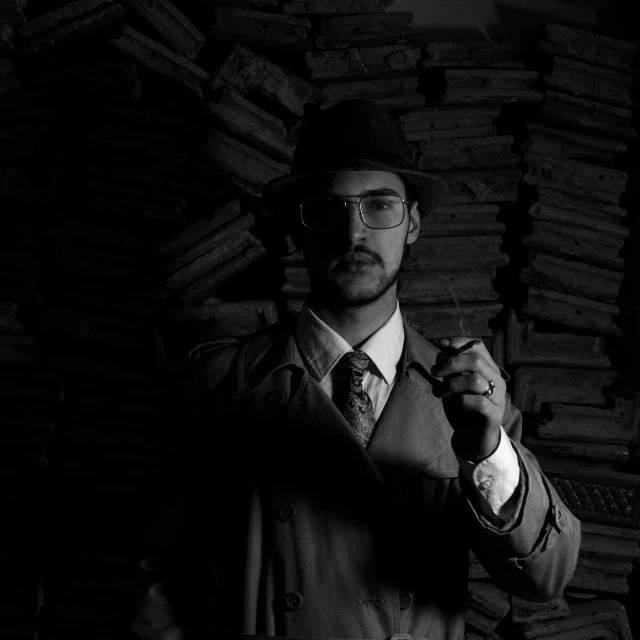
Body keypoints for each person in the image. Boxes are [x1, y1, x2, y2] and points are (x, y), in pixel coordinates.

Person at [129, 100, 580, 640]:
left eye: (380, 205)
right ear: (299, 226)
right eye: (327, 208)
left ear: (412, 222)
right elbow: (158, 583)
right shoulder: (221, 386)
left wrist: (488, 450)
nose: (352, 233)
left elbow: (545, 576)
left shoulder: (471, 396)